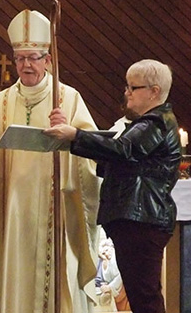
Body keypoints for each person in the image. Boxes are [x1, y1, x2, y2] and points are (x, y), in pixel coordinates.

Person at [0, 9, 101, 313]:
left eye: (33, 57)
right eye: (21, 58)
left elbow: (92, 153)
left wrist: (70, 132)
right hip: (13, 212)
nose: (26, 64)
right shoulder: (2, 102)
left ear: (48, 59)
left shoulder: (68, 99)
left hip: (56, 210)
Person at [44, 59, 181, 313]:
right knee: (142, 294)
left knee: (144, 297)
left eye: (133, 87)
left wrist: (75, 135)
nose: (126, 92)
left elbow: (123, 149)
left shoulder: (156, 123)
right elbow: (119, 159)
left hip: (142, 219)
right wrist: (75, 136)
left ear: (154, 91)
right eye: (127, 86)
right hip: (138, 219)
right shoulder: (149, 123)